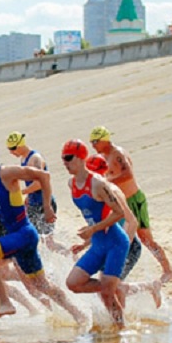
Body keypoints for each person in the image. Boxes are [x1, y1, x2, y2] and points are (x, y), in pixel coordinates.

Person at [0, 141, 85, 323]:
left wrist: (47, 206)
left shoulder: (6, 172)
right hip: (16, 237)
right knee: (41, 285)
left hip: (23, 234)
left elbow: (44, 176)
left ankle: (5, 302)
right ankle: (78, 314)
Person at [61, 139, 135, 327]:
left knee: (107, 293)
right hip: (97, 242)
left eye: (69, 158)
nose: (65, 163)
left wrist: (92, 229)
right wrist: (88, 239)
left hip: (115, 242)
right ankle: (118, 289)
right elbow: (92, 216)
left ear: (80, 158)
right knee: (73, 283)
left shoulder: (97, 183)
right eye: (63, 159)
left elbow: (119, 212)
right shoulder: (72, 184)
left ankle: (121, 330)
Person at [90, 125, 172, 283]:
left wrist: (108, 182)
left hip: (134, 200)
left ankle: (168, 270)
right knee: (121, 237)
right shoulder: (103, 157)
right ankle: (117, 272)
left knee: (146, 238)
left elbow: (128, 174)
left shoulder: (117, 154)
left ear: (104, 140)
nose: (93, 145)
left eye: (95, 141)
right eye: (91, 142)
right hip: (122, 203)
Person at [6, 131, 69, 255]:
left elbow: (40, 183)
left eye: (13, 148)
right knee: (33, 239)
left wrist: (21, 192)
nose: (11, 152)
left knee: (48, 242)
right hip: (34, 203)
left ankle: (71, 257)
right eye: (9, 149)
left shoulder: (35, 159)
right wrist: (28, 197)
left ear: (20, 145)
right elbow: (30, 183)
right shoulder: (24, 159)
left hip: (43, 203)